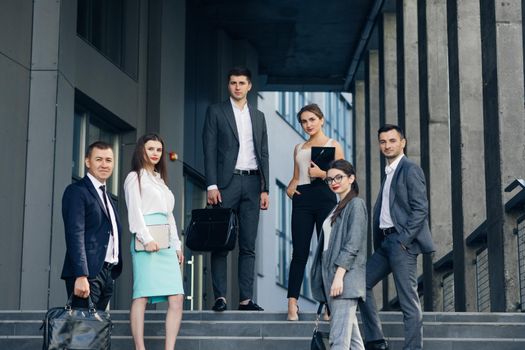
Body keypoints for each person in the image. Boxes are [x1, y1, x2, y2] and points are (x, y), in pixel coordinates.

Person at [359, 124, 435, 350]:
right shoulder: (389, 172)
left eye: (392, 141)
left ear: (403, 142)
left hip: (402, 243)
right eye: (383, 141)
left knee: (408, 301)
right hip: (385, 243)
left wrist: (404, 239)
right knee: (360, 283)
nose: (387, 145)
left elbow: (420, 209)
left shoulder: (410, 169)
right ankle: (376, 340)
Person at [202, 66, 269, 312]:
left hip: (253, 184)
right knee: (221, 241)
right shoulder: (216, 111)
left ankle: (245, 300)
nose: (237, 87)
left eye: (242, 82)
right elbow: (208, 148)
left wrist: (265, 188)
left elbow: (263, 153)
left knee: (248, 245)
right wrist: (211, 184)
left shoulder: (259, 116)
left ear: (249, 85)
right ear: (228, 85)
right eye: (233, 83)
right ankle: (220, 297)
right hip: (225, 184)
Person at [124, 134, 184, 350]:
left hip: (165, 241)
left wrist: (177, 245)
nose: (155, 153)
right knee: (141, 295)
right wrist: (146, 239)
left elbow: (169, 216)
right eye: (151, 149)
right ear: (142, 150)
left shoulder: (160, 180)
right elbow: (135, 212)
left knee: (177, 298)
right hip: (145, 240)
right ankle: (140, 348)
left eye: (158, 150)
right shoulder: (134, 177)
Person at [285, 104, 344, 321]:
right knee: (299, 253)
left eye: (312, 119)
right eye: (303, 121)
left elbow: (344, 177)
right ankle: (292, 304)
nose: (308, 124)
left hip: (325, 199)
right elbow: (295, 176)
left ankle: (329, 304)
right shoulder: (299, 147)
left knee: (326, 253)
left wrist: (323, 173)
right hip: (302, 200)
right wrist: (289, 188)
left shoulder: (333, 145)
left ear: (321, 120)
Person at [310, 159, 367, 350]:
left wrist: (339, 277)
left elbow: (353, 243)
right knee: (354, 342)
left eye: (339, 177)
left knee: (338, 340)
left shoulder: (356, 205)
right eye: (330, 179)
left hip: (344, 280)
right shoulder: (337, 208)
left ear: (351, 178)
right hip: (333, 280)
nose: (334, 182)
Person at [61, 141, 123, 311]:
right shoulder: (77, 191)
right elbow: (75, 234)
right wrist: (81, 275)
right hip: (87, 274)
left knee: (95, 332)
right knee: (82, 331)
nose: (104, 164)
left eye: (109, 160)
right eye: (99, 159)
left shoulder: (107, 196)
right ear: (87, 162)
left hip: (107, 272)